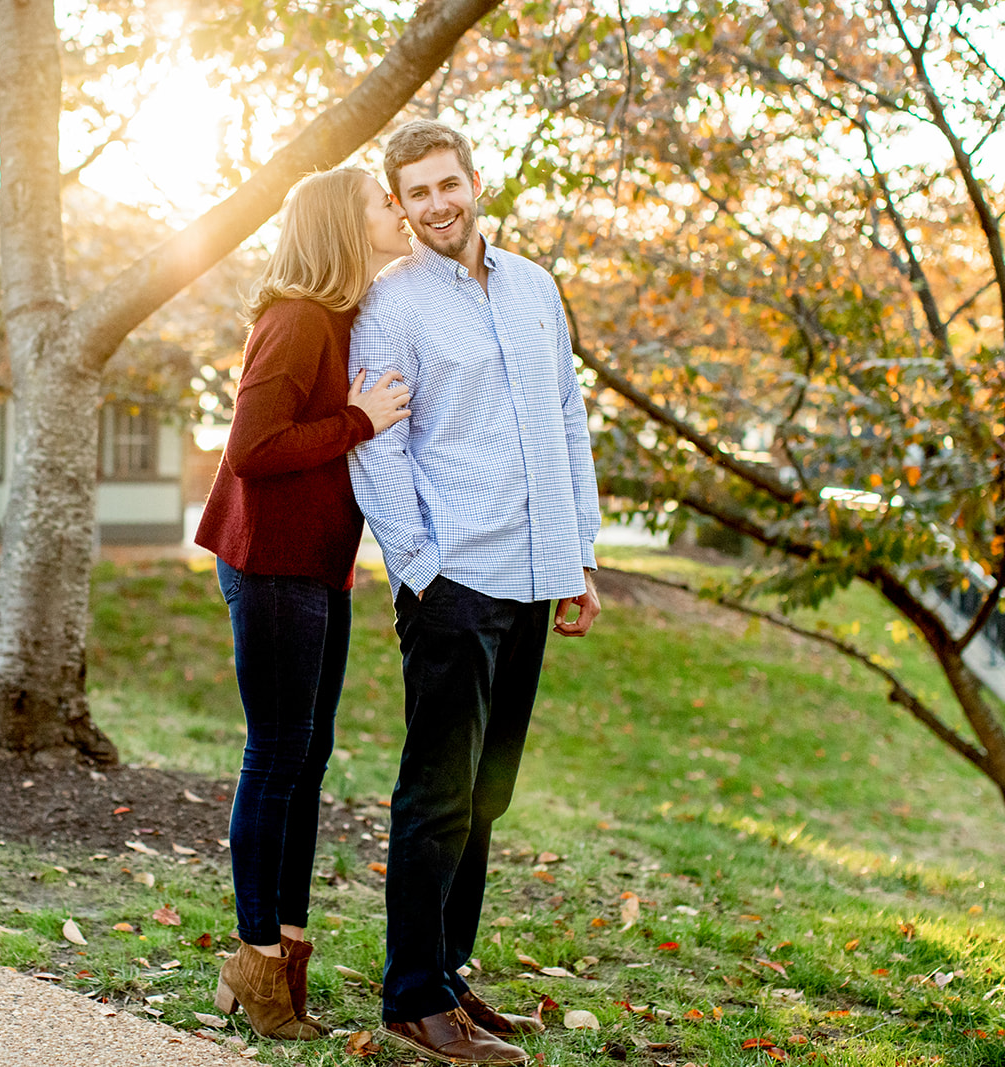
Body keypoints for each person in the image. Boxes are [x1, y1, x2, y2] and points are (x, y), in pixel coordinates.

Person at [348, 119, 603, 1066]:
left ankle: (449, 973)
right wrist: (420, 566)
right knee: (436, 793)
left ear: (475, 180)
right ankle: (412, 996)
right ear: (402, 203)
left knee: (487, 793)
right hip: (454, 581)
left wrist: (579, 553)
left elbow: (567, 421)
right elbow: (380, 446)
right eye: (416, 193)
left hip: (536, 574)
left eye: (447, 184)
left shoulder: (536, 287)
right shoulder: (394, 305)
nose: (437, 205)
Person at [194, 166, 413, 1040]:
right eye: (382, 204)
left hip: (316, 564)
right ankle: (254, 958)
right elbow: (251, 448)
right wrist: (357, 420)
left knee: (307, 757)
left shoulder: (344, 316)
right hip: (273, 564)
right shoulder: (295, 320)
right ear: (341, 226)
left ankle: (284, 943)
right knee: (277, 756)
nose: (396, 213)